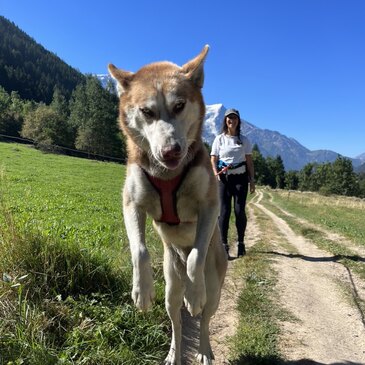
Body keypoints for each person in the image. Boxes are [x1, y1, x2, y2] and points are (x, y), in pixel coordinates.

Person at [210, 108, 255, 258]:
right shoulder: (219, 139)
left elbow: (249, 161)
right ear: (225, 121)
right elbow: (213, 158)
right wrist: (215, 172)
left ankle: (241, 243)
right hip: (223, 179)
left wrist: (252, 180)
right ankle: (223, 246)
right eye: (229, 118)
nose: (232, 120)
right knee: (223, 212)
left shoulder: (244, 140)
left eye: (234, 118)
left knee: (239, 211)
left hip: (240, 179)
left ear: (238, 121)